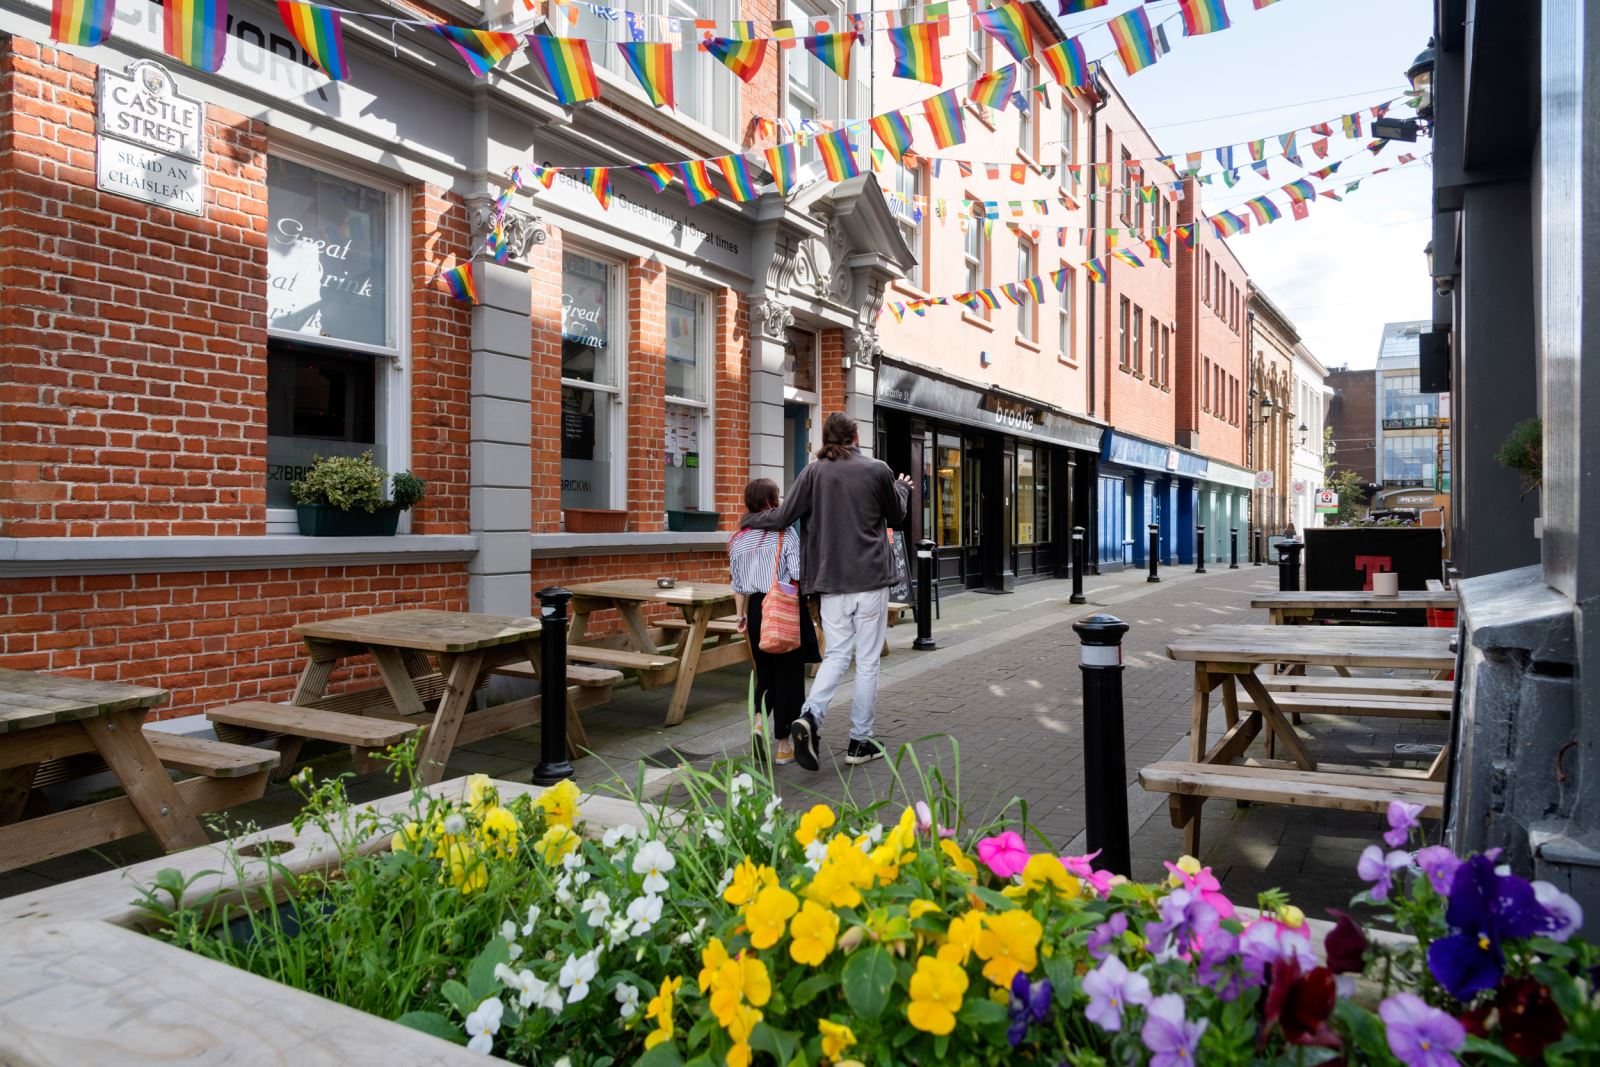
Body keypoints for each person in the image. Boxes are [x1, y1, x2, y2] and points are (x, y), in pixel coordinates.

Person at [740, 412, 911, 769]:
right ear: (856, 435)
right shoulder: (878, 469)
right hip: (871, 581)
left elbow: (782, 516)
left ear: (826, 437)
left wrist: (748, 520)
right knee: (866, 663)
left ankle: (811, 717)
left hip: (831, 584)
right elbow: (896, 517)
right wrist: (902, 489)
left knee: (835, 656)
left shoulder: (813, 472)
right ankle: (859, 742)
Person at [729, 478, 819, 765]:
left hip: (756, 610)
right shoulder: (784, 533)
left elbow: (738, 584)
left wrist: (740, 616)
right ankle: (783, 746)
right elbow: (796, 571)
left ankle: (758, 720)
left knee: (765, 671)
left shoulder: (738, 539)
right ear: (772, 501)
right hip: (783, 607)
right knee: (789, 677)